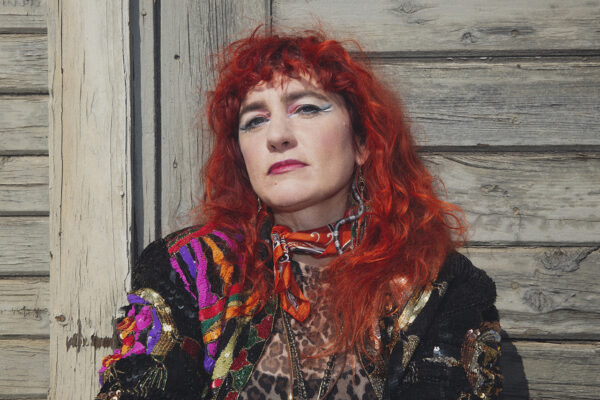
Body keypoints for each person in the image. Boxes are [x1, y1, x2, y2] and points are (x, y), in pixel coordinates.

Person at [96, 28, 503, 400]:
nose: (277, 136)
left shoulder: (436, 284)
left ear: (362, 142)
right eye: (255, 120)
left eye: (306, 108)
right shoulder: (189, 268)